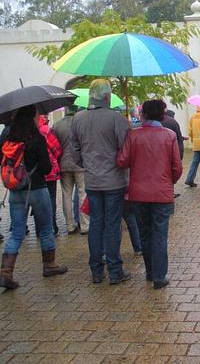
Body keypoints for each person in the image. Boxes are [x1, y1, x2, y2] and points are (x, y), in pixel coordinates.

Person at [0, 105, 68, 290]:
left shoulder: (8, 138)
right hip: (37, 189)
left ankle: (6, 272)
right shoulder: (36, 138)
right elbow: (46, 167)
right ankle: (49, 265)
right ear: (32, 117)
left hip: (15, 192)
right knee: (46, 228)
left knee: (17, 232)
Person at [117, 100, 182, 289]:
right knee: (160, 234)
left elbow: (122, 161)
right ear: (162, 115)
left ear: (143, 114)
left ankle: (150, 271)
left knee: (144, 233)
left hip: (138, 194)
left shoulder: (133, 135)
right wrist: (170, 181)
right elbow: (177, 167)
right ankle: (159, 277)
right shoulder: (169, 136)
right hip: (162, 193)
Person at [71, 79, 131, 285]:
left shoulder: (78, 118)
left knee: (96, 224)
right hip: (114, 180)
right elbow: (126, 150)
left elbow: (75, 152)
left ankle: (96, 270)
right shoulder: (116, 118)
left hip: (92, 180)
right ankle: (115, 270)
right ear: (107, 97)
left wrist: (88, 164)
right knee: (112, 225)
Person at [52, 105, 89, 235]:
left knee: (66, 195)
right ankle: (84, 225)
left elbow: (54, 146)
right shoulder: (80, 124)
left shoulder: (56, 126)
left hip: (63, 164)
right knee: (82, 193)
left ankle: (70, 225)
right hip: (79, 164)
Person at [38, 115, 62, 236]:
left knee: (38, 200)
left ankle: (39, 229)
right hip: (50, 171)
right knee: (51, 198)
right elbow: (57, 149)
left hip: (36, 173)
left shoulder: (30, 131)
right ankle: (53, 227)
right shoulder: (46, 131)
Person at [185, 107, 200, 187]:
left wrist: (192, 139)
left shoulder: (193, 117)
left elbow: (190, 131)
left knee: (194, 163)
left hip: (196, 143)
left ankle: (189, 179)